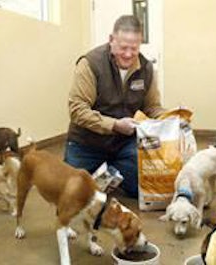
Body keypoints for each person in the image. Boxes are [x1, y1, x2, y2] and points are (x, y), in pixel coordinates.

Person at [64, 15, 165, 198]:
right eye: (123, 47)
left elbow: (152, 107)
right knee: (72, 195)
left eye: (133, 48)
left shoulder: (146, 68)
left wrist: (171, 118)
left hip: (124, 144)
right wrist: (114, 125)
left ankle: (108, 175)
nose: (128, 54)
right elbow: (77, 110)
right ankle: (105, 177)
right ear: (111, 40)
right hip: (86, 143)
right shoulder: (90, 63)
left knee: (144, 189)